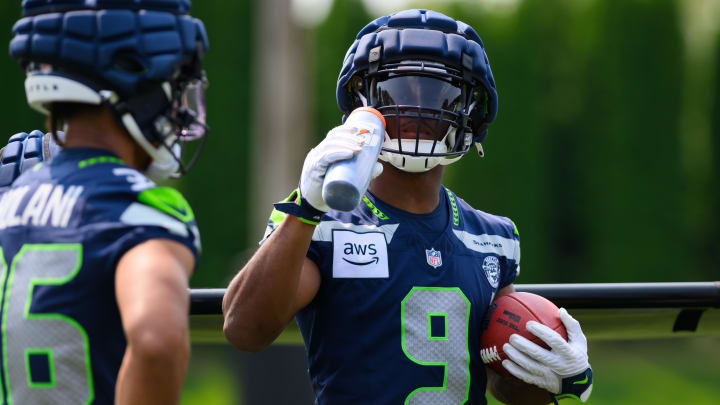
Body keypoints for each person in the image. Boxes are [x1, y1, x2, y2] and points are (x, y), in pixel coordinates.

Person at [223, 9, 592, 405]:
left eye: (439, 94)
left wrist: (557, 375)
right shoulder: (320, 219)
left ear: (470, 112)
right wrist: (307, 207)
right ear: (362, 103)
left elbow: (498, 379)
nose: (417, 107)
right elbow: (245, 330)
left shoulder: (492, 238)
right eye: (398, 91)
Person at [0, 0, 209, 403]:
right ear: (135, 77)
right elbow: (157, 340)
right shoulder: (140, 208)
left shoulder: (9, 202)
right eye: (173, 81)